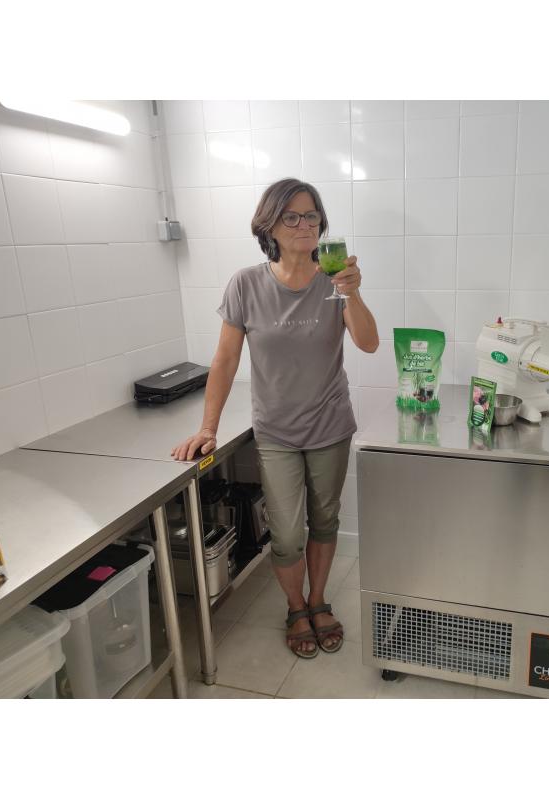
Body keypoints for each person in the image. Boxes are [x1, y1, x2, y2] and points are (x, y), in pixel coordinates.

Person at [171, 178, 379, 658]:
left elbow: (368, 343)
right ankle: (295, 607)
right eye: (292, 216)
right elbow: (225, 360)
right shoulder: (245, 284)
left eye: (312, 215)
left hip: (330, 425)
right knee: (285, 534)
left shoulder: (335, 280)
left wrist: (353, 294)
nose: (305, 224)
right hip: (276, 433)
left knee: (325, 519)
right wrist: (208, 428)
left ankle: (317, 600)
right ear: (270, 226)